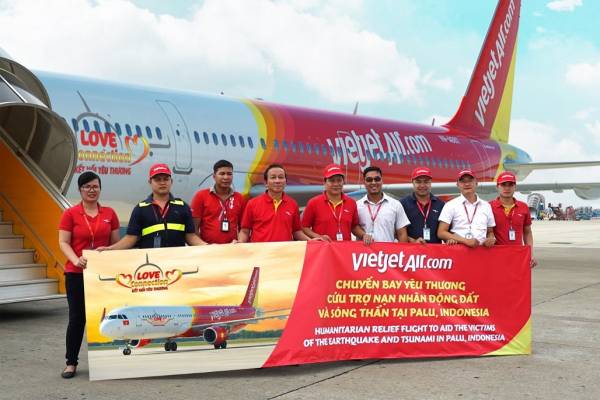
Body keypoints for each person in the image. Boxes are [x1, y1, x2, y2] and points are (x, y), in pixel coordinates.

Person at [58, 172, 120, 378]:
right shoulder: (70, 214)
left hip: (102, 275)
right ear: (80, 190)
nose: (91, 190)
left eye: (95, 186)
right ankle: (71, 363)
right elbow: (63, 242)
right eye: (87, 187)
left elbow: (115, 244)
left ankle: (106, 361)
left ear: (100, 188)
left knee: (106, 318)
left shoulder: (109, 213)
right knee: (77, 319)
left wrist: (108, 251)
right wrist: (76, 259)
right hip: (76, 273)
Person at [102, 163, 205, 249]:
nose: (162, 183)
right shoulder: (140, 209)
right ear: (150, 182)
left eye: (166, 179)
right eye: (158, 180)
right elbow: (130, 238)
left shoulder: (182, 207)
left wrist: (208, 247)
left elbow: (191, 237)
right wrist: (110, 249)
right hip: (150, 264)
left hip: (176, 262)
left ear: (171, 182)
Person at [238, 164, 312, 242]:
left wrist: (311, 241)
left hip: (285, 249)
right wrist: (239, 242)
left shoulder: (292, 204)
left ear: (285, 182)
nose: (277, 181)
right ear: (266, 183)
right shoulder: (252, 204)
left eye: (281, 177)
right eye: (273, 177)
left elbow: (296, 232)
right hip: (260, 250)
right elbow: (244, 231)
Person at [302, 164, 365, 241]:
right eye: (332, 180)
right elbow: (304, 227)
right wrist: (318, 237)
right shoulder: (314, 203)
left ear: (343, 182)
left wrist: (364, 235)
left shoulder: (351, 203)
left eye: (339, 180)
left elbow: (354, 226)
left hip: (345, 247)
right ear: (324, 182)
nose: (336, 184)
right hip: (323, 247)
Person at [437, 169, 496, 248]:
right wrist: (465, 241)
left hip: (481, 251)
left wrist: (491, 239)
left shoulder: (486, 206)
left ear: (476, 183)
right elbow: (441, 232)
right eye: (463, 181)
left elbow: (490, 231)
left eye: (470, 181)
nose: (467, 184)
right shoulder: (450, 205)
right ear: (457, 184)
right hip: (459, 251)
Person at [190, 160, 245, 244]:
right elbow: (193, 228)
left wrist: (239, 242)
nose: (226, 177)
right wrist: (203, 246)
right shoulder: (201, 196)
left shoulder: (239, 198)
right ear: (214, 176)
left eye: (229, 174)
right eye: (222, 174)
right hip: (208, 248)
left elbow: (243, 228)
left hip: (232, 248)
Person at [490, 171, 537, 267]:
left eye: (510, 185)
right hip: (496, 255)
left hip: (518, 255)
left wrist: (530, 253)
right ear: (497, 187)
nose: (507, 188)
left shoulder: (523, 207)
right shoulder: (489, 207)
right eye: (503, 185)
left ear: (515, 187)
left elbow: (527, 232)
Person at [357, 166, 409, 244]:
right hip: (363, 251)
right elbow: (353, 227)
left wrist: (403, 251)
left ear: (382, 181)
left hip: (388, 251)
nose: (373, 182)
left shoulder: (395, 205)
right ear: (364, 183)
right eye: (369, 180)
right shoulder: (357, 206)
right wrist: (363, 235)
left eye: (377, 179)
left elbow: (402, 234)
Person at [400, 167, 445, 244]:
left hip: (435, 251)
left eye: (426, 182)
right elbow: (396, 231)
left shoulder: (441, 205)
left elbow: (446, 231)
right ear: (412, 182)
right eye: (418, 182)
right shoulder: (402, 204)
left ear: (431, 183)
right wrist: (413, 241)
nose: (422, 185)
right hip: (412, 250)